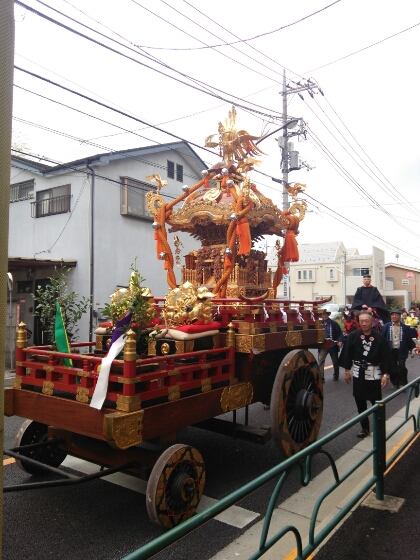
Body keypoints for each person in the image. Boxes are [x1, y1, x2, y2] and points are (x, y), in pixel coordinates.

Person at [342, 310, 391, 438]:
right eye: (361, 321)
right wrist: (347, 371)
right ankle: (365, 428)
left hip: (374, 373)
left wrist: (385, 374)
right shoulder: (353, 336)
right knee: (360, 402)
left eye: (366, 321)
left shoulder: (379, 337)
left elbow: (386, 357)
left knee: (376, 402)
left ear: (372, 322)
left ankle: (379, 427)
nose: (363, 323)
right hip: (358, 373)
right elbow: (347, 353)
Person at [381, 310, 416, 388]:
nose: (394, 317)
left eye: (396, 315)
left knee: (401, 366)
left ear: (400, 316)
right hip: (390, 350)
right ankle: (395, 383)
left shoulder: (405, 327)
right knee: (392, 368)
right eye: (392, 315)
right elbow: (382, 338)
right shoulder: (386, 326)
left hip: (402, 350)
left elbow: (409, 339)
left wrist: (412, 348)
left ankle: (403, 382)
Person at [319, 309, 343, 382]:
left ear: (328, 315)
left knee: (335, 361)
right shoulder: (319, 324)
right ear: (321, 316)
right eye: (323, 314)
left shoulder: (333, 323)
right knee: (321, 361)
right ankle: (321, 377)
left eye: (326, 314)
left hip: (333, 345)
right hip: (323, 345)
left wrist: (340, 341)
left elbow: (339, 333)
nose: (324, 316)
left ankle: (336, 374)